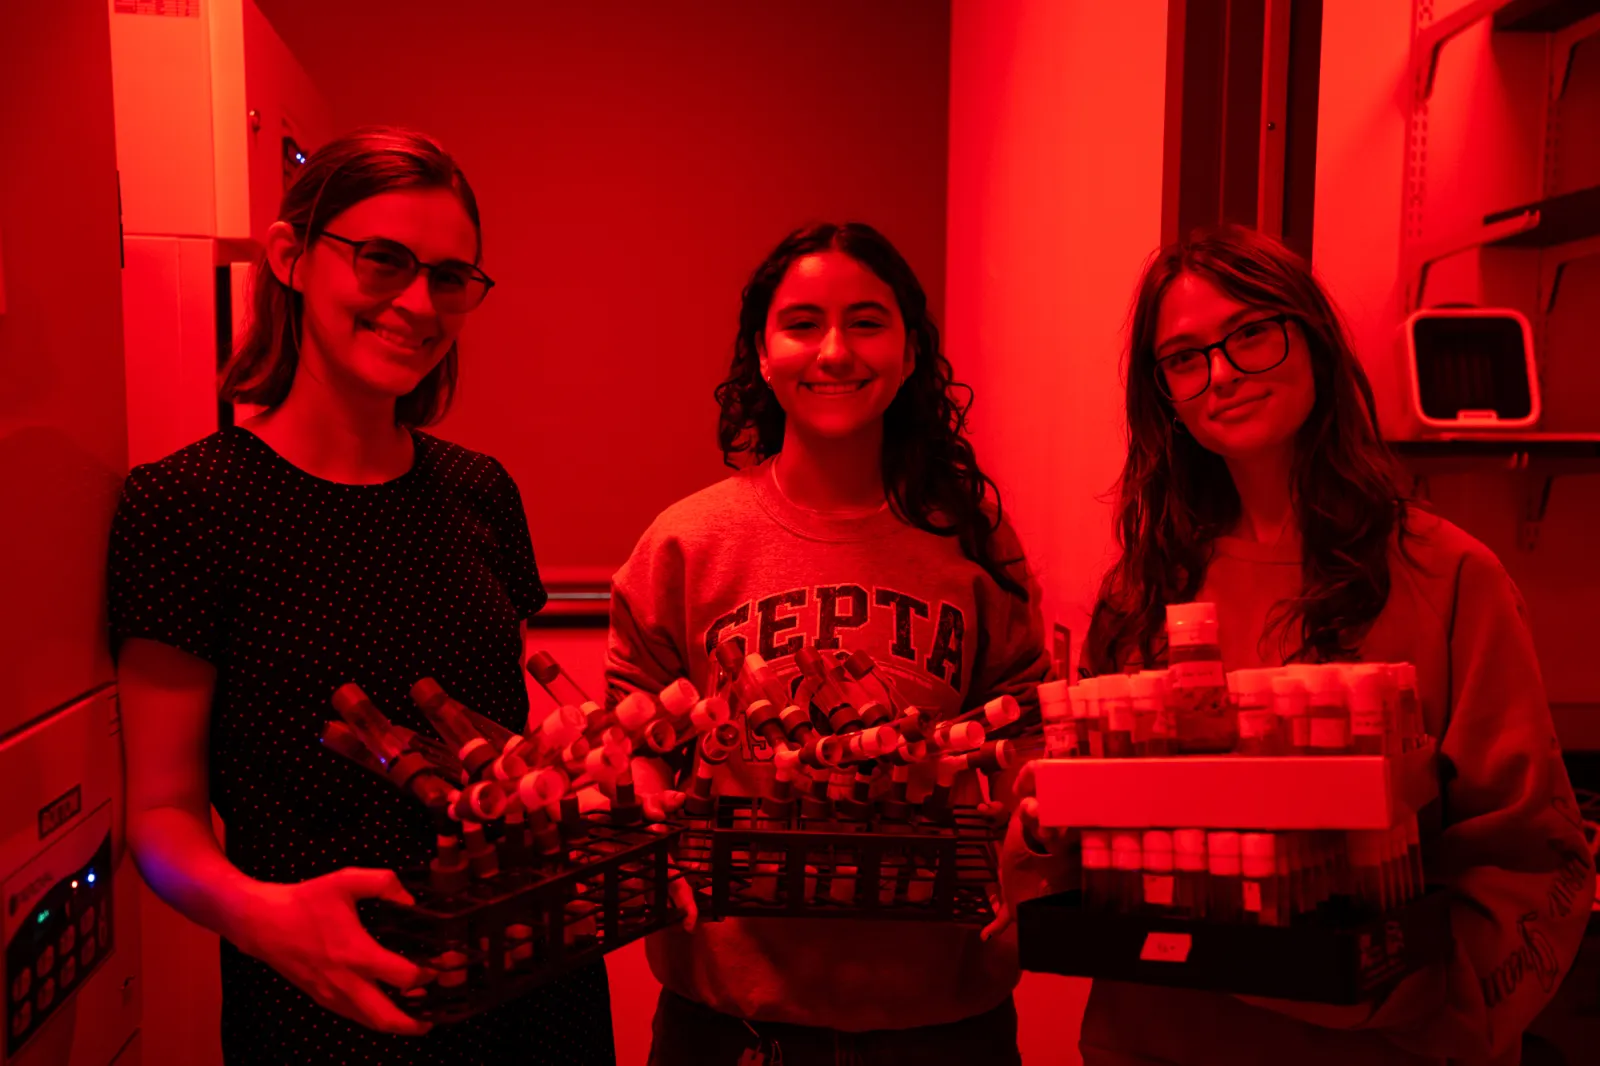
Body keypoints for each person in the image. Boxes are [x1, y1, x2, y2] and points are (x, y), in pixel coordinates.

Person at [108, 127, 615, 1066]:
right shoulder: (185, 506)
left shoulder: (480, 491)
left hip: (538, 982)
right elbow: (161, 819)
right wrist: (269, 922)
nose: (418, 304)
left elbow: (501, 743)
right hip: (333, 1002)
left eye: (450, 277)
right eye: (384, 261)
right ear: (292, 258)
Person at [1053, 223, 1594, 1065]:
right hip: (1152, 1039)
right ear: (1163, 396)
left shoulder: (1449, 576)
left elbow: (1533, 862)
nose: (1222, 374)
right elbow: (1091, 854)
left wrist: (1429, 1013)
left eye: (1251, 334)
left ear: (1314, 340)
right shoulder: (1142, 590)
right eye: (1185, 358)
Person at [605, 222, 1050, 1065]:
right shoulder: (686, 543)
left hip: (942, 1018)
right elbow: (629, 735)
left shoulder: (974, 540)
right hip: (734, 1022)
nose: (835, 351)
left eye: (868, 322)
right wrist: (644, 798)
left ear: (911, 352)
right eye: (803, 323)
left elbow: (1025, 724)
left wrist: (1026, 849)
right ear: (763, 356)